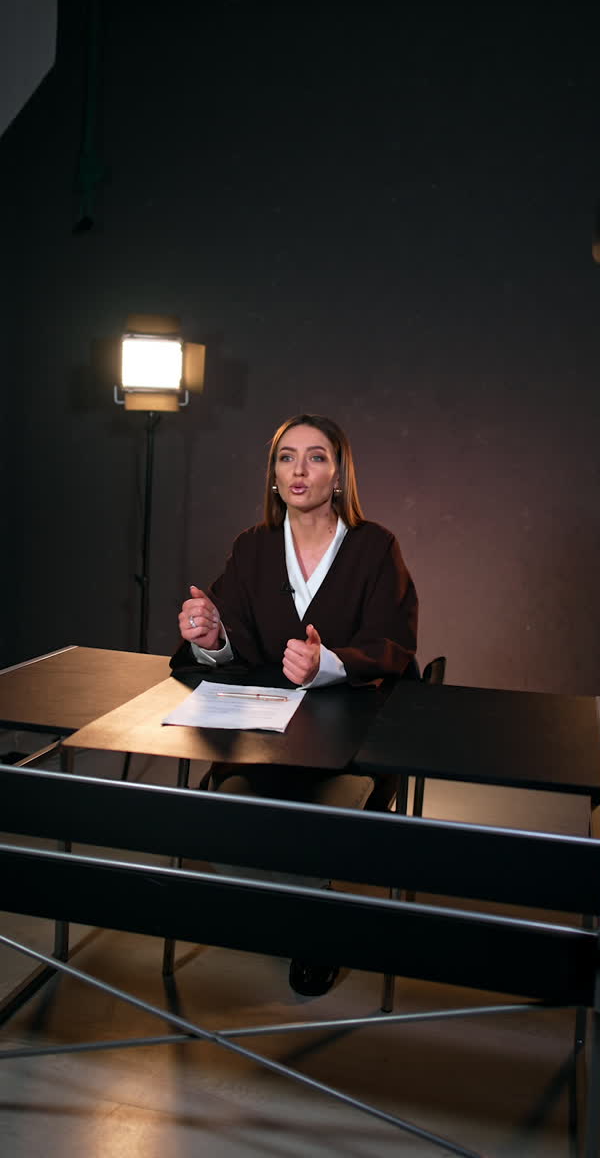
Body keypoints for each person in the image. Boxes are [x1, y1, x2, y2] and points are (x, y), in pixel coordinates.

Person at [171, 412, 419, 995]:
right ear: (274, 475)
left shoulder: (376, 547)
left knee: (319, 821)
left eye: (315, 456)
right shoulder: (253, 547)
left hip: (350, 744)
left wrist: (327, 662)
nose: (299, 469)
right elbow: (225, 637)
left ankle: (310, 932)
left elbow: (394, 644)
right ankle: (312, 917)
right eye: (286, 457)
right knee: (217, 820)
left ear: (339, 474)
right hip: (263, 741)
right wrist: (211, 637)